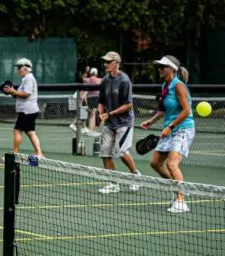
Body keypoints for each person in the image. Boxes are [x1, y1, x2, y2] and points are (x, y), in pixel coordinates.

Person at [140, 56, 195, 213]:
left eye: (162, 67)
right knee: (155, 163)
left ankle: (181, 201)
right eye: (159, 66)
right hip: (170, 128)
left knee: (172, 164)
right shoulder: (165, 85)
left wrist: (170, 127)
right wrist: (151, 121)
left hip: (183, 128)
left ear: (171, 69)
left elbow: (186, 111)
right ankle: (180, 187)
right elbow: (163, 110)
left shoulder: (179, 86)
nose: (159, 69)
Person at [96, 51, 141, 193]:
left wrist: (109, 114)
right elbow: (101, 101)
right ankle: (112, 183)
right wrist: (101, 114)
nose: (105, 64)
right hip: (109, 122)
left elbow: (128, 105)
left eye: (108, 62)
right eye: (105, 61)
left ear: (116, 63)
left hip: (124, 122)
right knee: (105, 153)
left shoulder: (124, 80)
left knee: (121, 151)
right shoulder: (104, 80)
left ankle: (136, 176)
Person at [3, 58, 43, 158]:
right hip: (29, 110)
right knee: (30, 133)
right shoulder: (26, 79)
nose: (18, 69)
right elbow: (19, 95)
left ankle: (15, 155)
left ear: (26, 68)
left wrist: (13, 91)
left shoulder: (28, 78)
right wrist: (11, 92)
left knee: (17, 131)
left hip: (27, 111)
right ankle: (39, 153)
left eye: (19, 67)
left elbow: (26, 94)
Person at [71, 67, 102, 137]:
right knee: (90, 113)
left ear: (91, 73)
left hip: (88, 98)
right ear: (96, 74)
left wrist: (86, 71)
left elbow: (83, 78)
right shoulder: (99, 80)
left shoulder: (87, 80)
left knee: (87, 113)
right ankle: (89, 130)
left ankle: (85, 128)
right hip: (90, 98)